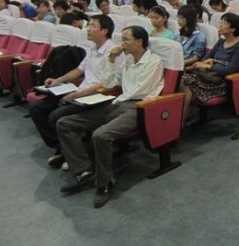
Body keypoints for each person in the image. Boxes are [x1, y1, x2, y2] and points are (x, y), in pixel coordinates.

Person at [57, 25, 164, 208]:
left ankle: (104, 183)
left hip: (138, 107)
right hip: (118, 102)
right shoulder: (127, 59)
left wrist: (116, 97)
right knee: (64, 123)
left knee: (101, 135)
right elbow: (108, 82)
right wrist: (112, 60)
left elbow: (139, 90)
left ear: (139, 41)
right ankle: (84, 170)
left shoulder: (154, 61)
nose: (122, 44)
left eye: (126, 40)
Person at [29, 15, 119, 169]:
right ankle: (64, 148)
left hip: (97, 96)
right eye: (89, 25)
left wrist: (77, 95)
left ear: (104, 31)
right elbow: (79, 70)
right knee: (36, 108)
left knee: (55, 116)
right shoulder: (92, 48)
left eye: (93, 26)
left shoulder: (113, 52)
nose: (88, 29)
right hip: (81, 92)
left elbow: (107, 83)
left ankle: (72, 152)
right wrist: (57, 80)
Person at [181, 13, 239, 121]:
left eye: (224, 23)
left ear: (233, 29)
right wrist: (201, 65)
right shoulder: (221, 42)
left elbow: (230, 69)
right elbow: (207, 58)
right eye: (221, 22)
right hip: (206, 77)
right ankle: (182, 119)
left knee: (185, 83)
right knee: (182, 81)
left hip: (220, 82)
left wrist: (210, 66)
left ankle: (181, 120)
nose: (220, 25)